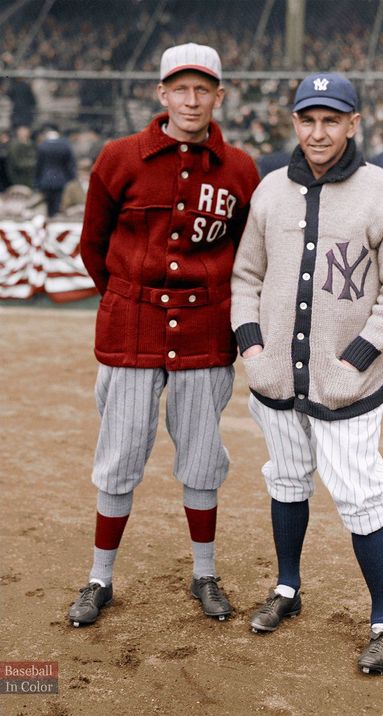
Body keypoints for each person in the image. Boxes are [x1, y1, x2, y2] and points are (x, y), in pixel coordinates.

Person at [231, 72, 383, 674]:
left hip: (348, 386)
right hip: (276, 380)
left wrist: (356, 358)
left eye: (332, 120)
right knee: (286, 479)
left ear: (354, 124)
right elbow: (246, 279)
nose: (319, 132)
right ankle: (288, 587)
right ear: (294, 123)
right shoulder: (268, 192)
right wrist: (251, 347)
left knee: (361, 497)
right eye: (308, 120)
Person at [69, 43, 259, 627]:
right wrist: (130, 297)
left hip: (204, 327)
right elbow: (92, 246)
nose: (191, 99)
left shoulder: (240, 168)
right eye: (180, 88)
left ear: (219, 96)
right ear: (161, 94)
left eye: (203, 89)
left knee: (203, 458)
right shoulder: (119, 157)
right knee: (120, 453)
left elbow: (248, 253)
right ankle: (99, 578)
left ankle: (204, 573)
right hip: (132, 327)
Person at [36, 125, 76, 217]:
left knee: (48, 203)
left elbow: (39, 165)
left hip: (45, 178)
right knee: (58, 203)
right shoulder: (65, 145)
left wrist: (38, 180)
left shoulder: (42, 146)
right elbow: (70, 163)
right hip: (61, 178)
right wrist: (71, 177)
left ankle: (50, 217)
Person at [6, 125, 37, 189]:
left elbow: (34, 155)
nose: (25, 133)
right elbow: (16, 162)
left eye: (26, 131)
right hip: (18, 176)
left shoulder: (31, 143)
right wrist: (34, 163)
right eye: (22, 131)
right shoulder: (14, 144)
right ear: (18, 132)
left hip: (29, 176)